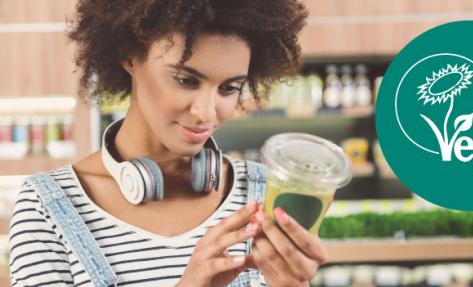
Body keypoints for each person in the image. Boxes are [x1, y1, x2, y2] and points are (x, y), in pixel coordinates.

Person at [8, 0, 328, 286]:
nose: (206, 113)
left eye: (229, 88)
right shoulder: (47, 207)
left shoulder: (264, 194)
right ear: (129, 56)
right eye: (185, 80)